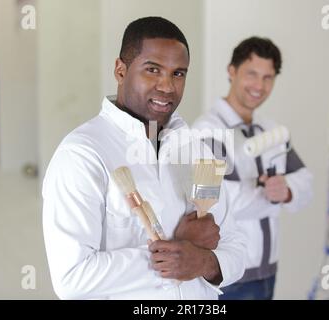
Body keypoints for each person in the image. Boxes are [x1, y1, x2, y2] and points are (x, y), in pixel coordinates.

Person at [42, 16, 245, 300]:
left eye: (178, 73)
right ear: (120, 70)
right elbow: (71, 279)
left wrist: (203, 262)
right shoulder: (82, 155)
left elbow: (236, 248)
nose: (167, 86)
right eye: (153, 70)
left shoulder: (197, 152)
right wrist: (179, 249)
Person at [193, 36, 313, 300]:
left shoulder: (271, 131)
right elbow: (214, 204)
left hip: (268, 271)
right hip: (229, 277)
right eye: (252, 74)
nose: (259, 86)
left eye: (268, 77)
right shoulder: (207, 133)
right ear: (231, 71)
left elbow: (305, 181)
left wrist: (287, 191)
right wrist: (271, 196)